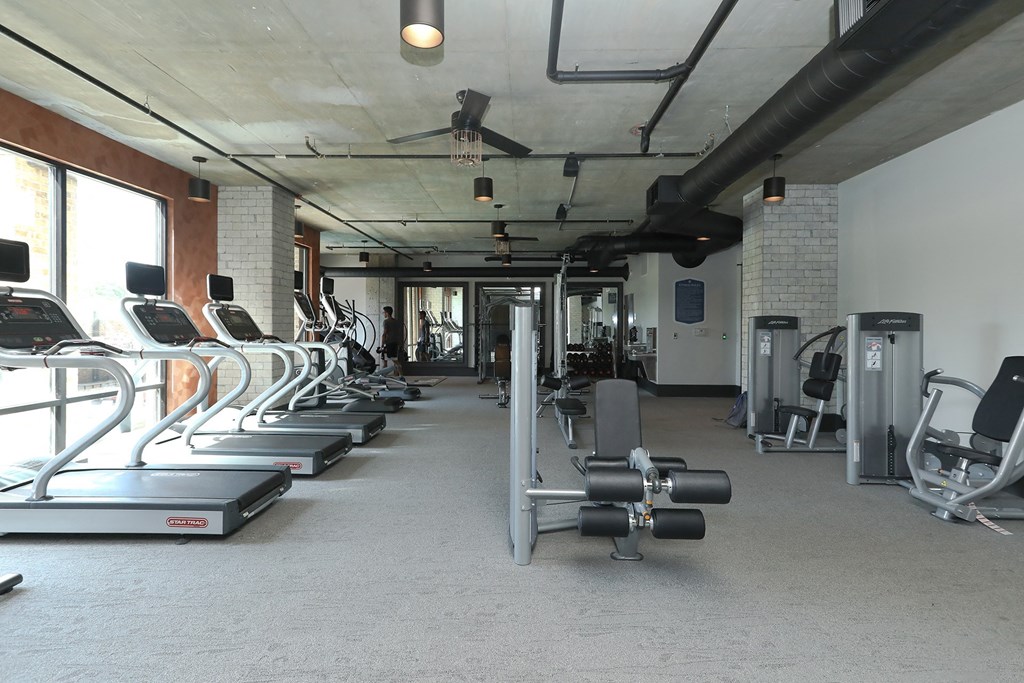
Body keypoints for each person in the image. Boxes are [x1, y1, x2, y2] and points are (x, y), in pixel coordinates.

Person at [381, 305, 403, 377]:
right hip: (395, 342)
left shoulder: (386, 322)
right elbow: (399, 333)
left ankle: (401, 375)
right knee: (387, 360)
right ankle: (396, 375)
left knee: (394, 360)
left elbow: (385, 333)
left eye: (384, 312)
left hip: (389, 342)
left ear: (387, 313)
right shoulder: (396, 322)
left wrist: (382, 344)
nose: (383, 314)